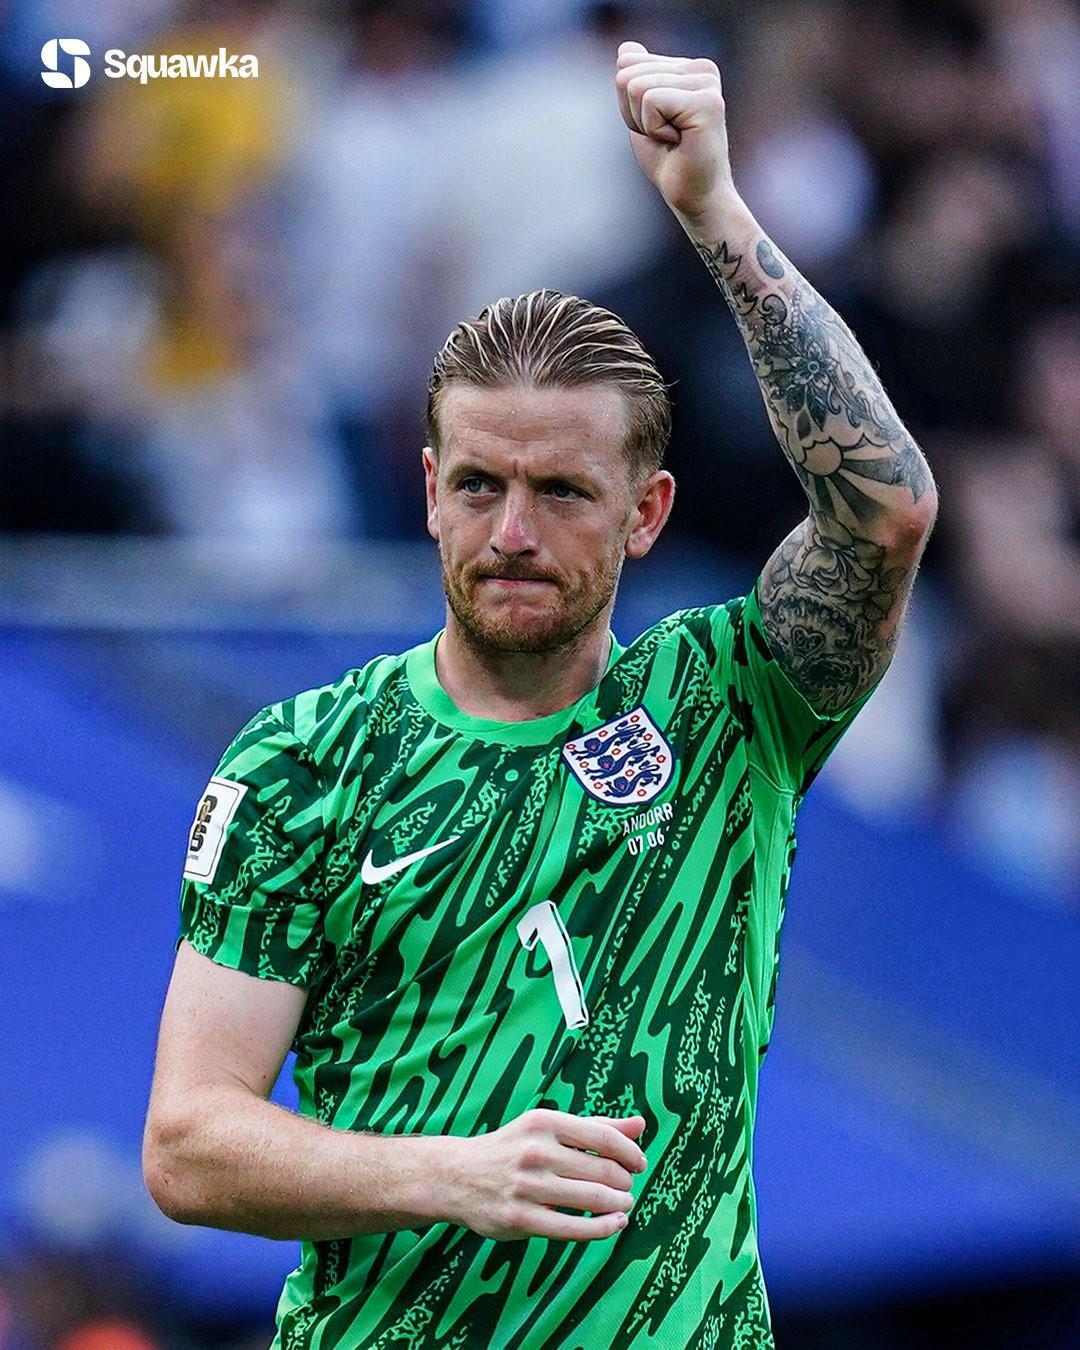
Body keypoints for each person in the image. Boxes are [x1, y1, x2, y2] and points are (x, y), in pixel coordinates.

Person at [143, 41, 937, 1349]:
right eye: (478, 485)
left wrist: (713, 213)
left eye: (562, 491)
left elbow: (887, 510)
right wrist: (452, 1174)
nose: (512, 532)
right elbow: (187, 1141)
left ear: (647, 513)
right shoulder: (304, 762)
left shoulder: (726, 704)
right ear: (428, 490)